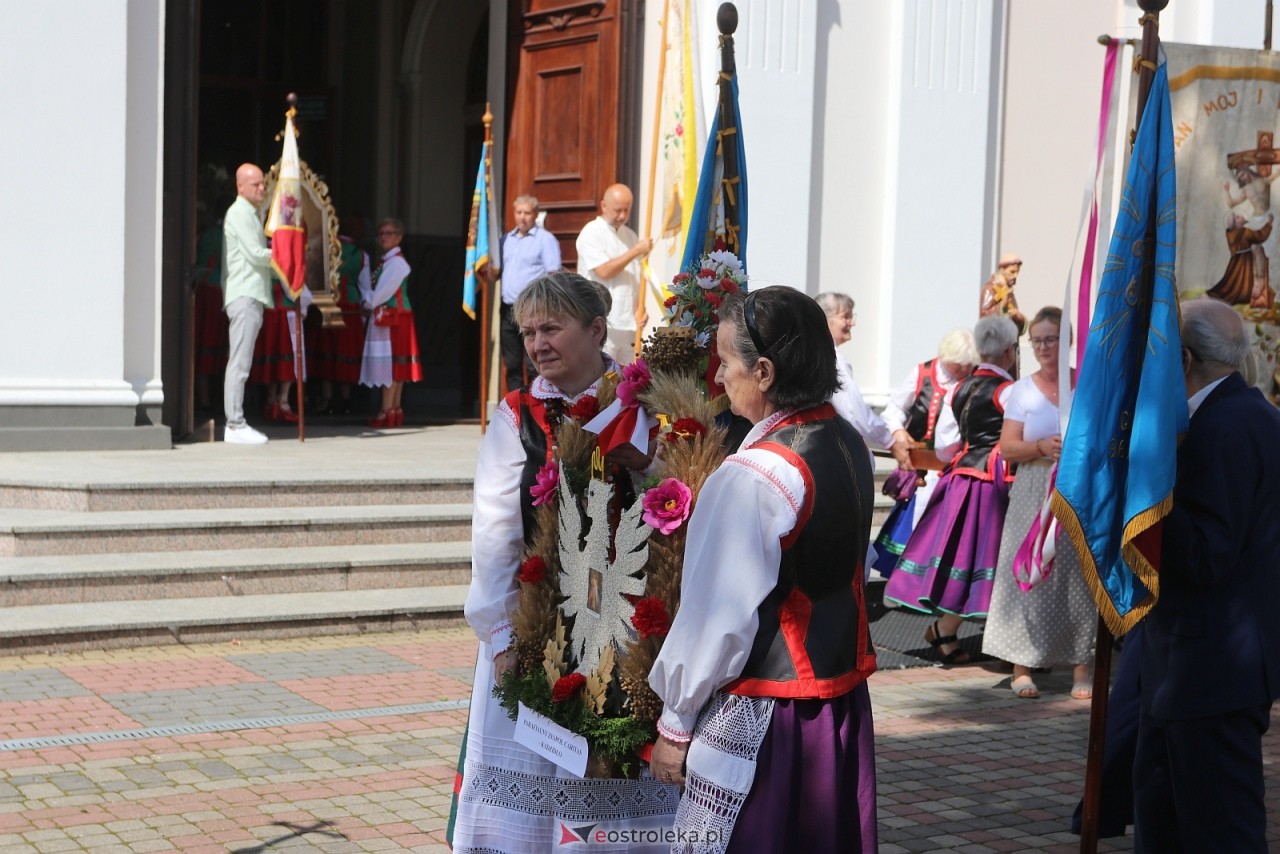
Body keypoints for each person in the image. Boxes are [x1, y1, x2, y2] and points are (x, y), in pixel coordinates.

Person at [451, 271, 678, 852]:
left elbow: (679, 497)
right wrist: (502, 636)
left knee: (611, 763)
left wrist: (647, 468)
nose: (536, 344)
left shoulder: (647, 405)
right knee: (531, 770)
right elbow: (495, 535)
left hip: (627, 626)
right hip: (537, 624)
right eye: (527, 331)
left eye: (551, 328)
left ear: (597, 328)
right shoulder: (517, 416)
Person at [648, 286, 878, 852]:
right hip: (835, 705)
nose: (719, 377)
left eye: (725, 362)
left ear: (766, 371)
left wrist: (676, 724)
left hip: (768, 715)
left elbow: (718, 617)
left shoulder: (756, 474)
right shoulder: (846, 440)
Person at [1132, 297, 1280, 853]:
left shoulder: (1221, 427)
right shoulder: (1254, 412)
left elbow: (1205, 554)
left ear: (1186, 357)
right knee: (1171, 809)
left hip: (1211, 661)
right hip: (1207, 658)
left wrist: (1145, 496)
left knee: (1219, 827)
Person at [883, 314, 1018, 663]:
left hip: (960, 479)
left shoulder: (960, 389)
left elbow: (945, 445)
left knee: (970, 558)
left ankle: (950, 630)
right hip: (996, 483)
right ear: (1009, 351)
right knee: (993, 560)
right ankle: (985, 639)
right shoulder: (1010, 392)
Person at [980, 307, 1096, 699]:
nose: (1044, 347)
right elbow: (1007, 447)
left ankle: (1083, 666)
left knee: (1080, 573)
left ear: (1067, 341)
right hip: (1033, 484)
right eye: (1038, 340)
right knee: (1026, 566)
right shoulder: (1023, 390)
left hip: (1077, 485)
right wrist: (1040, 446)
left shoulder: (1086, 384)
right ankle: (1021, 665)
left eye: (1051, 339)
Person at [873, 328, 979, 575]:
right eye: (958, 365)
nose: (963, 371)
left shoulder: (973, 378)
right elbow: (893, 411)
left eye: (967, 365)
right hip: (922, 470)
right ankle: (904, 582)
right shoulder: (923, 374)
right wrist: (898, 433)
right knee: (914, 527)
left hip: (955, 469)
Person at [221, 163, 273, 445]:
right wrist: (284, 255)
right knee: (239, 362)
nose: (262, 188)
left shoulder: (251, 213)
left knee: (242, 360)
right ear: (240, 186)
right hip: (244, 294)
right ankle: (235, 423)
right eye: (255, 184)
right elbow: (255, 254)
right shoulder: (240, 212)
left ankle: (236, 422)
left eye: (263, 183)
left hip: (250, 293)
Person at [576, 183, 652, 364]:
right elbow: (604, 271)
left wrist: (640, 307)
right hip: (602, 321)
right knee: (602, 380)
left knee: (627, 382)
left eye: (627, 210)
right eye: (618, 210)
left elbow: (634, 280)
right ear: (604, 206)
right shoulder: (591, 233)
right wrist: (634, 251)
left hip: (628, 324)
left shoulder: (631, 236)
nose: (623, 216)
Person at [815, 292, 900, 455]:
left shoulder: (814, 352)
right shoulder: (832, 358)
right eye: (845, 317)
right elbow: (854, 410)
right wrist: (889, 440)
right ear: (825, 320)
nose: (852, 322)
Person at [359, 218, 422, 428]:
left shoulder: (396, 263)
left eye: (389, 233)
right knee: (396, 365)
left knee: (392, 365)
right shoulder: (388, 261)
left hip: (395, 318)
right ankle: (393, 409)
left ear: (399, 237)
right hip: (396, 317)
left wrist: (365, 301)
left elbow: (380, 295)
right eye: (382, 233)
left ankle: (387, 410)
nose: (384, 237)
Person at [499, 195, 561, 391]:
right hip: (508, 309)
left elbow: (553, 273)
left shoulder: (545, 239)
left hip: (532, 310)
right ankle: (515, 411)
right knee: (512, 364)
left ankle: (538, 406)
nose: (522, 217)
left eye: (527, 213)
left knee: (535, 363)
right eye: (519, 212)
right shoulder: (505, 240)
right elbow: (496, 271)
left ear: (535, 214)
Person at [313, 217, 371, 414]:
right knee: (346, 354)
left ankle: (327, 400)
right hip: (351, 308)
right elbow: (365, 287)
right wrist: (366, 311)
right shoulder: (361, 255)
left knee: (327, 352)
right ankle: (346, 402)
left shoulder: (327, 249)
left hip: (329, 304)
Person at [1207, 210, 1274, 308]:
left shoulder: (1230, 233)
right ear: (1235, 223)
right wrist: (1269, 223)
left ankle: (1230, 295)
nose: (1241, 217)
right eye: (1238, 217)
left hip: (1235, 261)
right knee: (1241, 280)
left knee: (1231, 279)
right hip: (1245, 260)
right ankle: (1240, 296)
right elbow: (1260, 236)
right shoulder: (1245, 232)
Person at [980, 253, 1027, 334]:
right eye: (1012, 272)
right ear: (1002, 270)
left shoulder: (1008, 290)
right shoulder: (990, 289)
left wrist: (1020, 319)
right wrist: (1002, 306)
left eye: (1017, 272)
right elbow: (984, 317)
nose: (1015, 275)